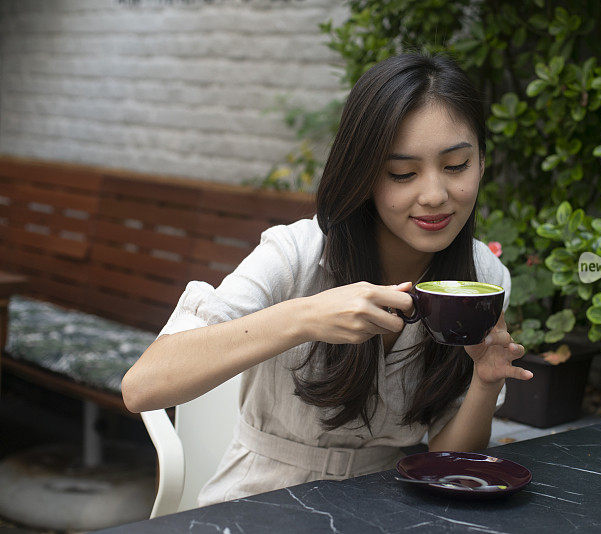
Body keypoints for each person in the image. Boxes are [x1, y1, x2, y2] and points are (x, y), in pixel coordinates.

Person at [121, 52, 533, 506]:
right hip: (263, 501)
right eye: (402, 173)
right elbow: (143, 386)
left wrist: (485, 381)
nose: (435, 195)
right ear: (364, 173)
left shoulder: (484, 278)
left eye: (456, 165)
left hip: (391, 503)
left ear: (481, 162)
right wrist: (305, 316)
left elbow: (449, 460)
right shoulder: (297, 254)